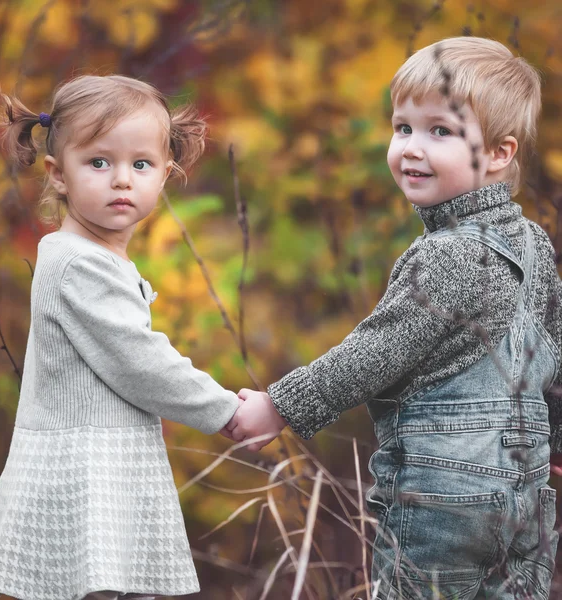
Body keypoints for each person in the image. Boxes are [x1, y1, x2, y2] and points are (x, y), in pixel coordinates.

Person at [228, 37, 562, 598]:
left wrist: (279, 405)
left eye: (440, 132)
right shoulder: (532, 245)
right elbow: (551, 356)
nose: (410, 148)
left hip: (443, 503)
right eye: (402, 127)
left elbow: (374, 353)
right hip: (526, 501)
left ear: (501, 154)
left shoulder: (446, 254)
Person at [0, 74, 241, 600]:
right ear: (58, 174)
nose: (122, 180)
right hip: (84, 474)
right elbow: (139, 362)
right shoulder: (77, 265)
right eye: (99, 162)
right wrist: (225, 410)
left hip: (106, 465)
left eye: (140, 164)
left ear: (165, 173)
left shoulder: (94, 258)